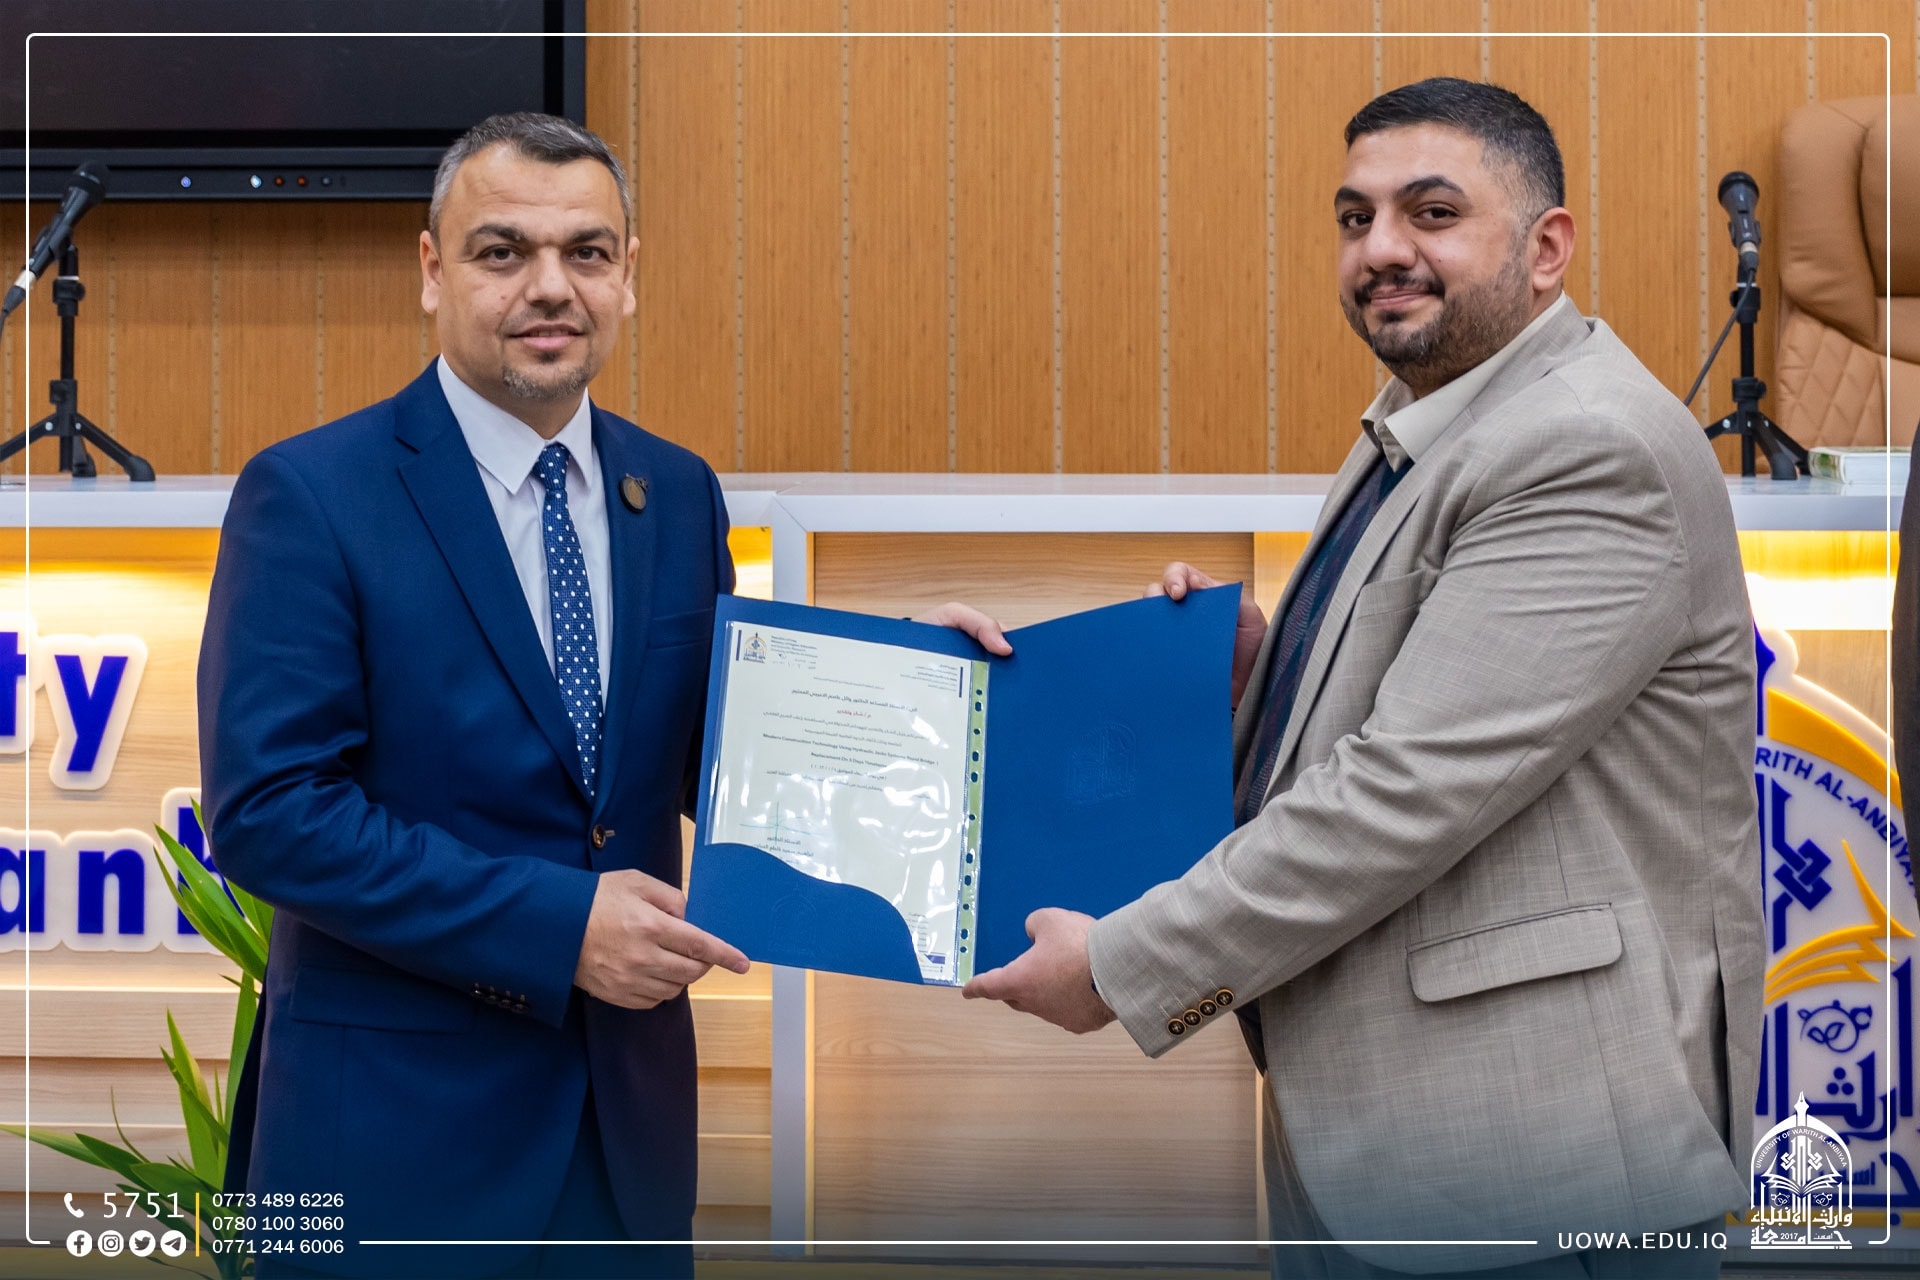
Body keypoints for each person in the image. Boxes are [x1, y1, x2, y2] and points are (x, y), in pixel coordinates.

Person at [964, 78, 1764, 1278]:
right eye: (1355, 217)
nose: (1381, 249)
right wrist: (1258, 676)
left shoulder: (1585, 444)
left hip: (1534, 1165)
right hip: (1389, 1142)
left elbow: (1404, 791)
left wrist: (1127, 972)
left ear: (1547, 248)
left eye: (1431, 212)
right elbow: (1420, 707)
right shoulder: (1426, 418)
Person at [200, 113, 753, 1280]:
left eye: (586, 252)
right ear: (431, 269)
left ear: (629, 274)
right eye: (503, 251)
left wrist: (918, 682)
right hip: (392, 1154)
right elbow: (270, 811)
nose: (550, 286)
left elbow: (726, 757)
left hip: (625, 1150)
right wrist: (560, 927)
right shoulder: (313, 493)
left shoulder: (679, 491)